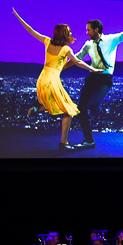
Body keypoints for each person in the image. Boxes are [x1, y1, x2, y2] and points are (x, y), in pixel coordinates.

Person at [12, 9, 106, 150]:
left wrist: (18, 16)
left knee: (57, 106)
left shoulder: (47, 41)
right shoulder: (65, 49)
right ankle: (64, 143)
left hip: (42, 78)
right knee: (68, 111)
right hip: (53, 80)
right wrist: (94, 69)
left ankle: (37, 108)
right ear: (63, 33)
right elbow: (77, 62)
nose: (71, 33)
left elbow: (31, 30)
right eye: (68, 31)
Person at [72, 12, 123, 148]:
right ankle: (89, 140)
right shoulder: (88, 44)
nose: (86, 32)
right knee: (81, 108)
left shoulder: (111, 40)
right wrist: (59, 68)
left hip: (105, 79)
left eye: (88, 29)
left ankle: (95, 110)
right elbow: (77, 58)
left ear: (96, 30)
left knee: (92, 105)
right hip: (92, 78)